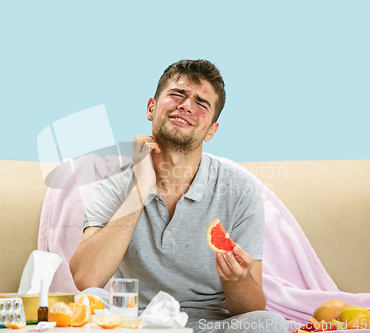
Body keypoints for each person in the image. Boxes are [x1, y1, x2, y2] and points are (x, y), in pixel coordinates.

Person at [69, 59, 287, 333]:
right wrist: (140, 188)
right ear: (151, 107)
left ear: (211, 130)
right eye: (176, 94)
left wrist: (237, 280)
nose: (186, 106)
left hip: (208, 325)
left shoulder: (240, 189)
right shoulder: (114, 184)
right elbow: (86, 277)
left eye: (201, 103)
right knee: (88, 301)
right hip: (134, 323)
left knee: (270, 324)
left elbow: (252, 309)